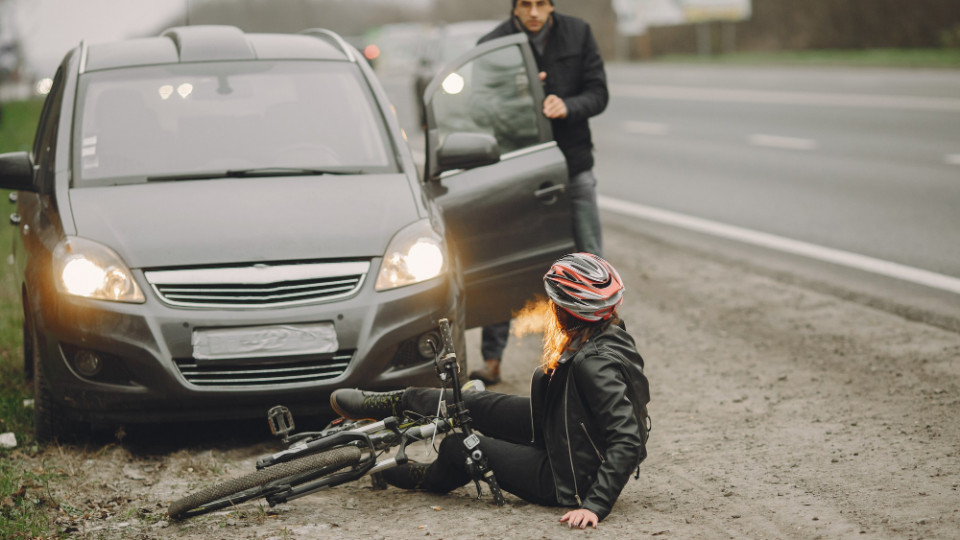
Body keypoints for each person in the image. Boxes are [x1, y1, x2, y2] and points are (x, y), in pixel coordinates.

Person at [331, 253, 650, 528]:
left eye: (556, 302)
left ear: (571, 310)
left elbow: (628, 437)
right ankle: (389, 402)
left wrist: (593, 505)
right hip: (560, 431)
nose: (551, 307)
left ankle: (425, 477)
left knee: (460, 445)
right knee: (470, 401)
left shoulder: (595, 364)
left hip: (565, 477)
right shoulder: (603, 333)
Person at [470, 0, 609, 386]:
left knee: (590, 258)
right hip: (516, 171)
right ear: (514, 7)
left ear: (552, 6)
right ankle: (492, 360)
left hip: (572, 165)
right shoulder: (493, 46)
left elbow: (599, 93)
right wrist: (521, 101)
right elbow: (479, 109)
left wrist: (567, 104)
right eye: (525, 4)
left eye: (541, 3)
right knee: (503, 259)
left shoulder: (578, 33)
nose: (533, 11)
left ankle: (600, 350)